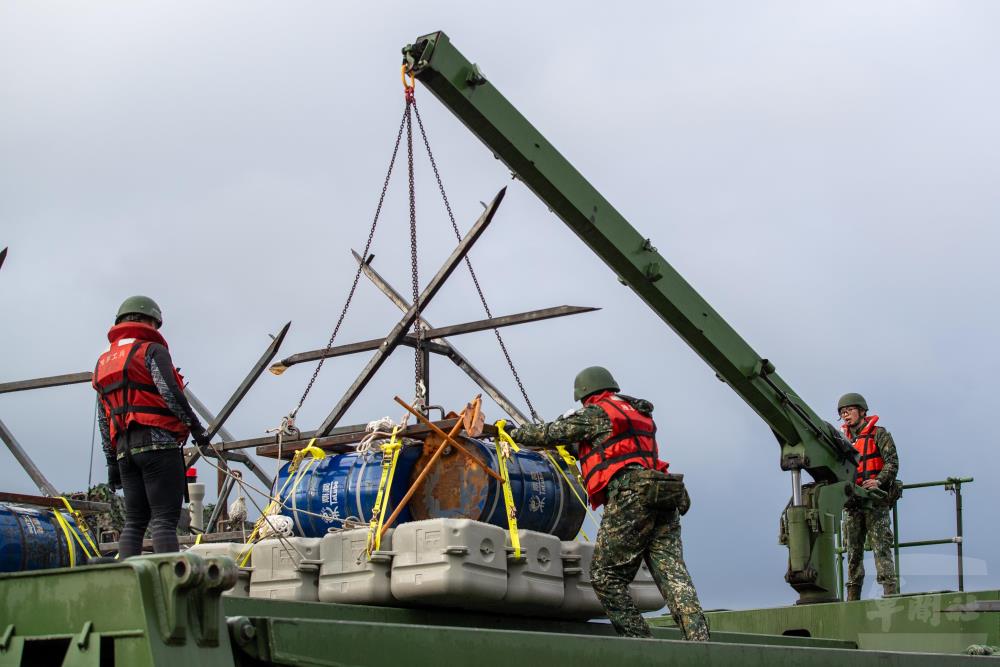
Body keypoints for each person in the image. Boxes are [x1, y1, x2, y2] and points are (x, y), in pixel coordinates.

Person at [510, 366, 709, 640]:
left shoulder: (596, 413)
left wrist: (515, 433)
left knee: (606, 576)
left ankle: (641, 643)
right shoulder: (637, 411)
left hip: (631, 495)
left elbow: (550, 433)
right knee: (674, 576)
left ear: (585, 394)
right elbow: (613, 446)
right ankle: (699, 641)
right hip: (664, 493)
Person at [92, 296, 211, 557]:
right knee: (164, 520)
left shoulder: (103, 363)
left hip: (124, 452)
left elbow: (104, 418)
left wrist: (112, 462)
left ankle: (128, 578)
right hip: (158, 445)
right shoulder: (151, 351)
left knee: (134, 522)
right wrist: (196, 429)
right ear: (149, 321)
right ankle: (168, 579)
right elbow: (169, 392)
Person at [838, 392, 900, 600]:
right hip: (852, 503)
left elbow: (892, 462)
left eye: (849, 410)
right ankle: (852, 595)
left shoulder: (879, 434)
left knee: (881, 547)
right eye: (842, 412)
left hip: (875, 501)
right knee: (852, 551)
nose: (846, 415)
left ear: (862, 411)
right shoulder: (841, 439)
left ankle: (890, 592)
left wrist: (878, 481)